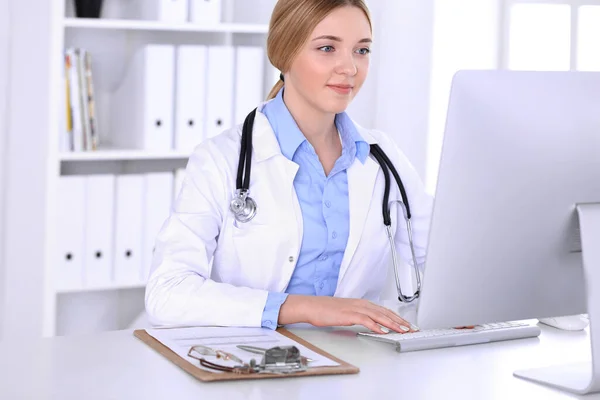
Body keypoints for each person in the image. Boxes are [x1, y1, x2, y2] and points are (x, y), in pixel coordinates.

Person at [145, 0, 433, 335]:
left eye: (362, 50)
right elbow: (167, 291)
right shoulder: (221, 159)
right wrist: (305, 308)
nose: (350, 67)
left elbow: (445, 267)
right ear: (285, 53)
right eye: (327, 48)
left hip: (356, 367)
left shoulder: (384, 159)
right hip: (254, 367)